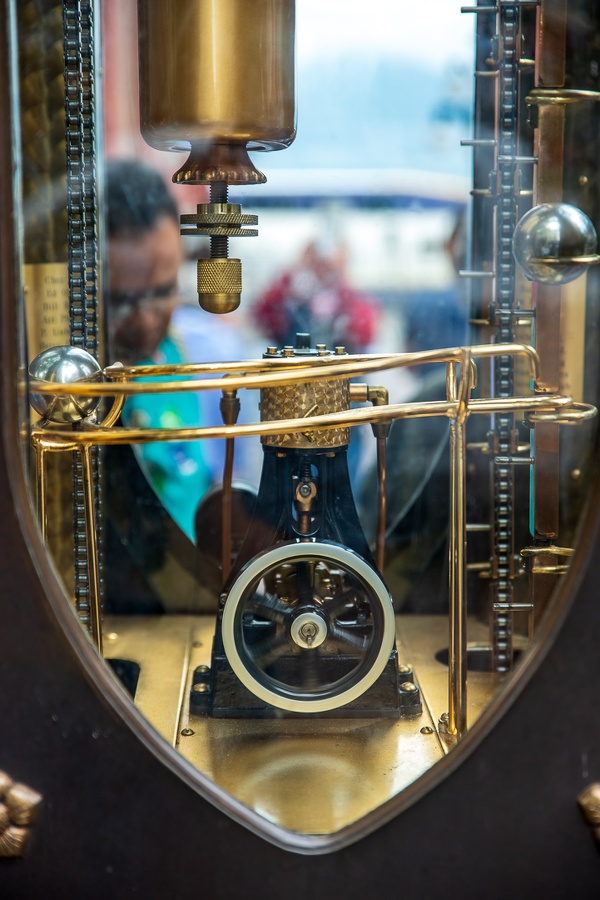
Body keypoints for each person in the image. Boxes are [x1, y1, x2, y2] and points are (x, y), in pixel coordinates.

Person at [105, 158, 240, 541]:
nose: (146, 319)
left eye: (163, 292)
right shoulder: (69, 385)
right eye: (123, 301)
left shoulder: (215, 359)